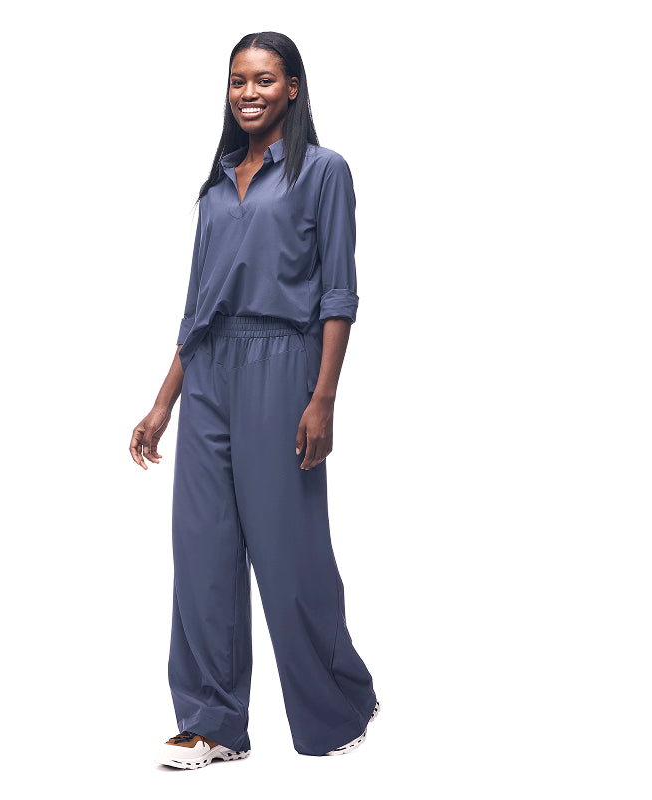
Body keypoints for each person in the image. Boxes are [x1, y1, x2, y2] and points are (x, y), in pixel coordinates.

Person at [130, 31, 379, 769]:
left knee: (287, 547)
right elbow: (196, 309)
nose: (248, 92)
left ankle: (338, 703)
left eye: (264, 80)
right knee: (200, 548)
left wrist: (323, 397)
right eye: (238, 80)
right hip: (209, 374)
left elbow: (339, 293)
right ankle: (212, 723)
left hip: (284, 363)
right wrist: (162, 404)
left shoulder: (323, 172)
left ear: (292, 88)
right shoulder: (214, 189)